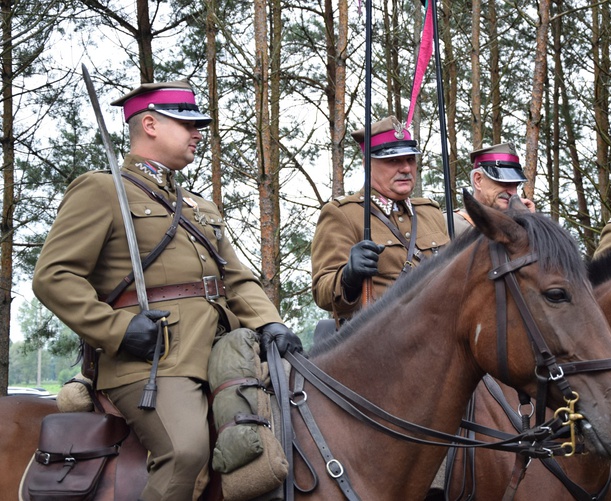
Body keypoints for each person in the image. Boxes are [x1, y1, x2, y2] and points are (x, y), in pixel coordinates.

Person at [32, 80, 301, 501]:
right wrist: (118, 330)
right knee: (185, 450)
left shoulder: (199, 207)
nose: (198, 133)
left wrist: (271, 322)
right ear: (151, 124)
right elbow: (54, 277)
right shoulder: (103, 190)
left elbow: (235, 278)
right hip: (153, 360)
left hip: (222, 349)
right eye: (187, 123)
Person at [311, 116, 450, 322]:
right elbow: (322, 292)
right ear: (367, 164)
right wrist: (348, 277)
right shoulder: (343, 214)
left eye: (410, 160)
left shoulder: (430, 211)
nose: (405, 169)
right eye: (393, 160)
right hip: (379, 338)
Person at [451, 142, 535, 235]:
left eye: (516, 185)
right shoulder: (450, 225)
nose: (513, 193)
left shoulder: (517, 226)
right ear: (478, 180)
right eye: (505, 182)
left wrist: (530, 222)